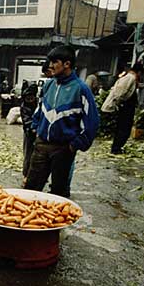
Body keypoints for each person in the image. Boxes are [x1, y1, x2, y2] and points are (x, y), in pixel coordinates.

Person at [25, 45, 99, 197]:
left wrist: (74, 145)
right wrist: (35, 128)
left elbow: (92, 123)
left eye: (55, 62)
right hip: (41, 145)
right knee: (31, 189)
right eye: (50, 61)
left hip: (63, 148)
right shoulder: (48, 85)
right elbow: (40, 110)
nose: (50, 66)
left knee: (58, 193)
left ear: (67, 64)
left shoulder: (81, 89)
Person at [103, 63, 144, 154]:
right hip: (125, 107)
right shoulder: (130, 78)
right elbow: (121, 91)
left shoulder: (130, 77)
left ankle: (117, 147)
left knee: (123, 128)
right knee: (123, 128)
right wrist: (118, 102)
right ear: (139, 72)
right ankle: (116, 148)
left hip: (126, 107)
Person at [20, 83, 38, 186]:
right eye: (28, 98)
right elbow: (26, 121)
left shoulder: (39, 104)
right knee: (28, 155)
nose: (30, 100)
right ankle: (26, 176)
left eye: (32, 98)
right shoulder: (24, 107)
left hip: (38, 134)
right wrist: (32, 128)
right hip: (29, 134)